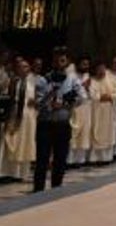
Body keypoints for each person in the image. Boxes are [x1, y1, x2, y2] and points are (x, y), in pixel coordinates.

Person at [33, 47, 83, 191]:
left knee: (60, 160)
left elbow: (83, 97)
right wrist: (50, 100)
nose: (59, 62)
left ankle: (56, 190)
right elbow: (38, 103)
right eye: (56, 59)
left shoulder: (72, 80)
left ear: (67, 62)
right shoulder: (44, 80)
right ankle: (38, 191)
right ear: (53, 61)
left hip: (62, 124)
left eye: (62, 60)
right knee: (42, 160)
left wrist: (65, 102)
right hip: (45, 124)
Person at [1, 57, 37, 181]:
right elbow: (6, 98)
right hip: (15, 114)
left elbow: (41, 99)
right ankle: (8, 173)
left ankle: (22, 173)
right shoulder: (12, 82)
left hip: (29, 117)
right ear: (17, 68)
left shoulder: (34, 82)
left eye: (26, 66)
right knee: (12, 142)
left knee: (25, 143)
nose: (24, 69)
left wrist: (36, 101)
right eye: (21, 66)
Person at [87, 62, 116, 164]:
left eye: (103, 69)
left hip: (108, 111)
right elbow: (92, 94)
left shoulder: (110, 80)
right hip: (96, 111)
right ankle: (94, 158)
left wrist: (111, 97)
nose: (102, 71)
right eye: (99, 69)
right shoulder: (92, 81)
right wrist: (100, 97)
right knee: (96, 132)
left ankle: (105, 158)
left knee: (107, 133)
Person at [67, 54, 91, 166]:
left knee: (84, 134)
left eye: (87, 64)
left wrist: (88, 88)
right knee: (73, 134)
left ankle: (79, 160)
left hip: (86, 108)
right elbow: (69, 92)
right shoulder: (71, 76)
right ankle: (69, 160)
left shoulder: (87, 76)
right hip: (75, 108)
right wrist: (83, 86)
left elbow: (91, 93)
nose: (86, 66)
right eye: (84, 64)